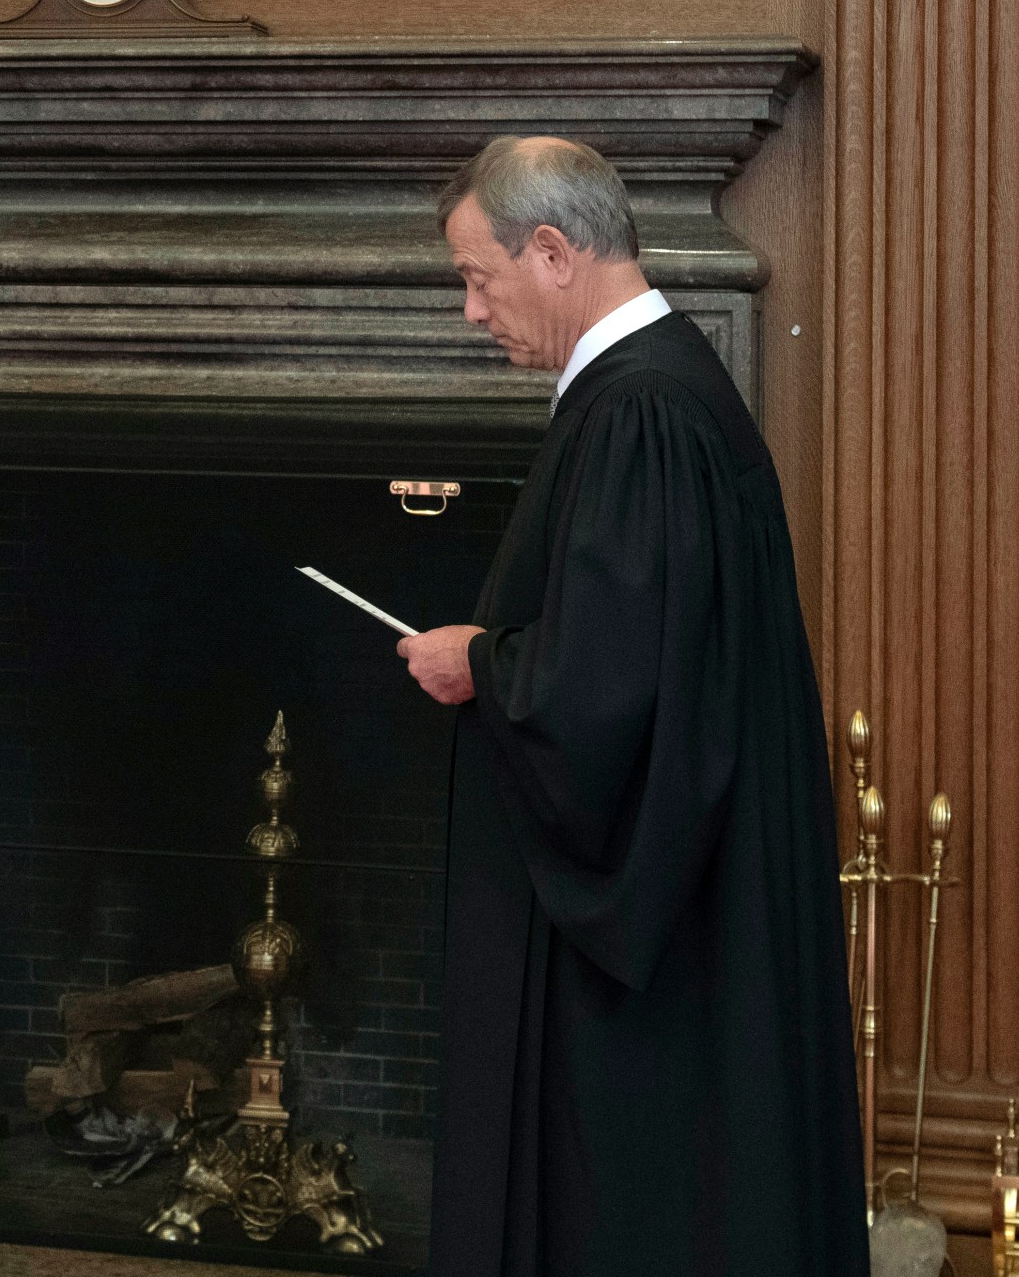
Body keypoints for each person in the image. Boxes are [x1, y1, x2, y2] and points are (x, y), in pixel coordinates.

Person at [399, 136, 868, 1276]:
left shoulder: (637, 413)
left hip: (659, 959)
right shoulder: (657, 390)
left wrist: (484, 662)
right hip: (703, 902)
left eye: (476, 276)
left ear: (552, 251)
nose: (471, 312)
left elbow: (605, 697)